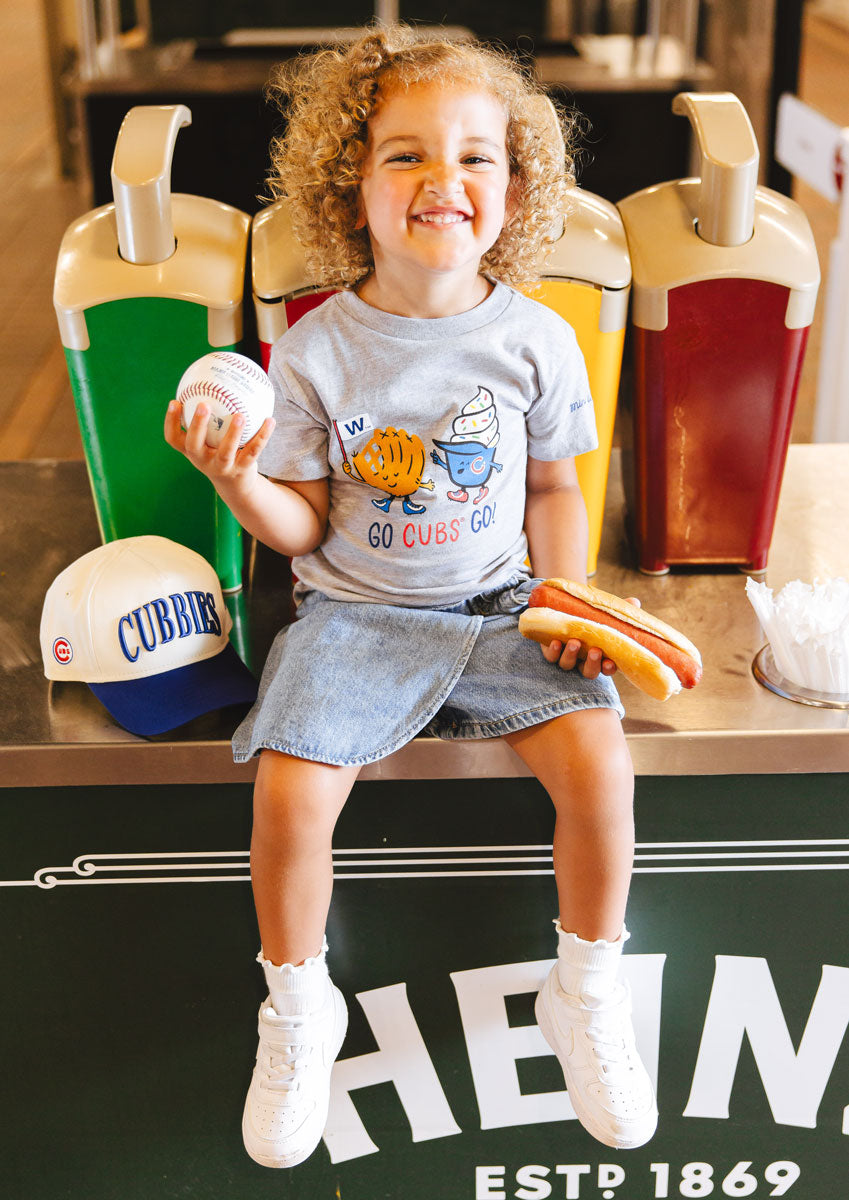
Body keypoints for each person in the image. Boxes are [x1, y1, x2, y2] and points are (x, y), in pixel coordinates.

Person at [164, 24, 657, 1168]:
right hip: (352, 615)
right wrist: (238, 475)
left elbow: (549, 487)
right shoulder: (312, 351)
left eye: (476, 156)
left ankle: (583, 988)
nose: (444, 181)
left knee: (599, 766)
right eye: (405, 156)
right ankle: (297, 1009)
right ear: (351, 188)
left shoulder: (538, 339)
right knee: (289, 793)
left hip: (498, 606)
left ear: (515, 187)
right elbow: (301, 523)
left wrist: (569, 598)